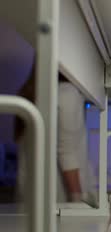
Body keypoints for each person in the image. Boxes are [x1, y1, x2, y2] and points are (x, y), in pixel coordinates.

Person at [16, 64, 97, 205]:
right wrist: (78, 202)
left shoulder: (33, 92)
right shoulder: (68, 93)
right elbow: (67, 153)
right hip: (60, 203)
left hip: (31, 200)